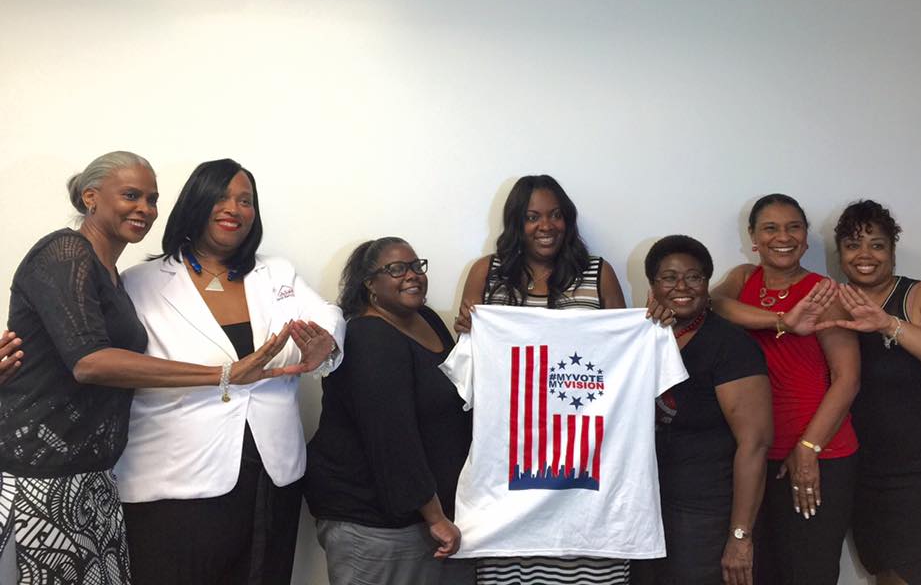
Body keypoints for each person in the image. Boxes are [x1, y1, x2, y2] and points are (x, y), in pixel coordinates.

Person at [0, 151, 297, 585]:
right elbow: (89, 361)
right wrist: (224, 374)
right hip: (42, 474)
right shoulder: (65, 252)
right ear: (90, 197)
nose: (144, 208)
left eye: (152, 199)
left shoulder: (114, 275)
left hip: (95, 475)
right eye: (131, 195)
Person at [113, 158, 345, 585]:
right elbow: (113, 363)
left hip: (270, 474)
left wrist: (325, 343)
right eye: (221, 197)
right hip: (174, 478)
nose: (234, 208)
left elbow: (327, 313)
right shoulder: (138, 282)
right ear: (195, 203)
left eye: (245, 200)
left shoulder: (276, 273)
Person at [456, 174, 631, 585]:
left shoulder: (598, 273)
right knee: (512, 562)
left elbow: (621, 352)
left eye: (555, 215)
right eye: (532, 217)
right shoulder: (487, 272)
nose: (546, 226)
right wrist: (467, 330)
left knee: (586, 562)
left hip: (584, 452)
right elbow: (468, 360)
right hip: (509, 453)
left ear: (568, 220)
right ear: (517, 223)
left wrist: (650, 326)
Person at [304, 237, 472, 585]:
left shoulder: (426, 319)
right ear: (370, 284)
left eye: (416, 266)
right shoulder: (369, 337)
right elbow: (393, 437)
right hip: (375, 524)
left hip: (427, 516)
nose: (412, 275)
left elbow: (456, 391)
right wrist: (436, 517)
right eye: (396, 269)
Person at [711, 193, 860, 585]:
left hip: (819, 453)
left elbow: (847, 379)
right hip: (755, 456)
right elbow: (714, 305)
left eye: (794, 227)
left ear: (806, 238)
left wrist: (808, 449)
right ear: (753, 238)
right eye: (770, 228)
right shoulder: (743, 278)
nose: (783, 236)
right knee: (761, 572)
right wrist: (782, 321)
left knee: (807, 572)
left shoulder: (822, 293)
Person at [818, 200, 921, 585]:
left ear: (892, 252)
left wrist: (888, 324)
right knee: (887, 573)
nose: (864, 255)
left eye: (877, 245)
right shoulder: (832, 304)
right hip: (865, 471)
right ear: (840, 254)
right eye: (853, 245)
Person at [645, 235, 772, 585]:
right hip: (649, 508)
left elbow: (755, 444)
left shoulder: (730, 345)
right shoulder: (644, 337)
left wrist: (740, 537)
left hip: (707, 512)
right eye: (669, 277)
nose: (681, 286)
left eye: (694, 277)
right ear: (653, 285)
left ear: (706, 283)